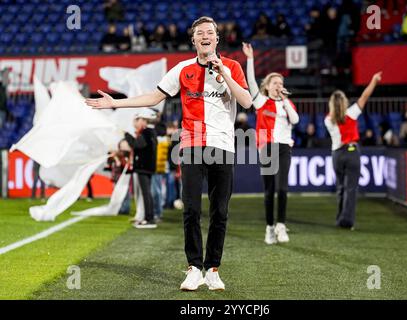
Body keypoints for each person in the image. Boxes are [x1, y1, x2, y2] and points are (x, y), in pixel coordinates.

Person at [86, 16, 252, 291]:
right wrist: (115, 103)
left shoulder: (232, 67)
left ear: (217, 38)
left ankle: (212, 269)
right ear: (194, 40)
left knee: (220, 212)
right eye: (200, 33)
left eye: (210, 32)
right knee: (191, 209)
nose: (205, 36)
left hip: (223, 146)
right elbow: (153, 98)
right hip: (191, 145)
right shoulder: (182, 69)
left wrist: (223, 72)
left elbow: (246, 101)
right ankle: (193, 268)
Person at [242, 42, 299, 245]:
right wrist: (250, 59)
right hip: (266, 148)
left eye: (280, 83)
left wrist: (284, 101)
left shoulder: (286, 102)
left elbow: (295, 120)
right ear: (267, 86)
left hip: (284, 147)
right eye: (274, 83)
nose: (278, 85)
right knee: (269, 190)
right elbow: (250, 82)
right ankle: (269, 227)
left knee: (282, 188)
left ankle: (281, 225)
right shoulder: (261, 101)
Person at [324, 71, 382, 230]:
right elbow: (364, 97)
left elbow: (335, 116)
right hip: (351, 153)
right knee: (350, 189)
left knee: (340, 188)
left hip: (336, 154)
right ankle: (346, 221)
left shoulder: (328, 120)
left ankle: (339, 218)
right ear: (344, 103)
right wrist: (374, 81)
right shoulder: (351, 113)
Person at [125, 111, 158, 228]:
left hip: (144, 167)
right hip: (147, 167)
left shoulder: (147, 132)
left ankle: (149, 219)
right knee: (146, 193)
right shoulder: (150, 132)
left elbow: (136, 144)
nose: (134, 123)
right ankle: (148, 217)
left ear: (143, 121)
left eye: (136, 120)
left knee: (146, 193)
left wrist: (126, 135)